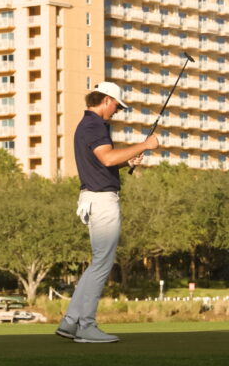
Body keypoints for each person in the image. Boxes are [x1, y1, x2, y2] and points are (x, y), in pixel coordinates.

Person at [56, 81, 158, 343]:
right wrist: (144, 145)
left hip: (94, 198)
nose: (116, 111)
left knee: (97, 262)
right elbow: (108, 158)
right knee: (102, 263)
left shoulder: (87, 125)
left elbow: (107, 162)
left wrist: (127, 161)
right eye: (116, 105)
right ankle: (86, 325)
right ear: (106, 100)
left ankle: (69, 322)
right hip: (102, 201)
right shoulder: (94, 125)